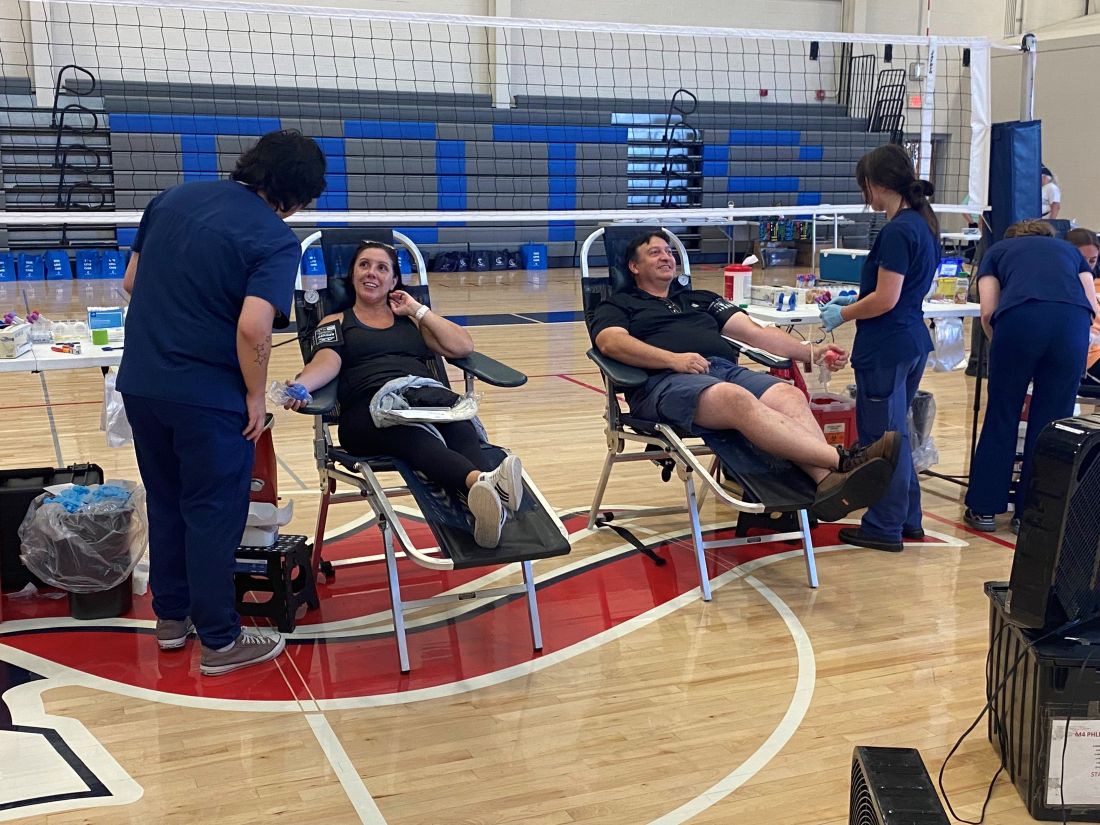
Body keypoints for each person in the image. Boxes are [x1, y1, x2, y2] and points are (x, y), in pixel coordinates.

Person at [118, 130, 327, 676]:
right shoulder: (275, 239)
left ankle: (171, 620)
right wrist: (255, 396)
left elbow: (132, 281)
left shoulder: (171, 199)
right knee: (212, 513)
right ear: (298, 196)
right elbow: (254, 328)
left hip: (141, 383)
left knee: (167, 501)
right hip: (207, 396)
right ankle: (220, 640)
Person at [590, 231, 901, 523]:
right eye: (654, 252)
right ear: (634, 267)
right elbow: (611, 342)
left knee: (789, 394)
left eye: (669, 252)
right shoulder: (618, 304)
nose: (666, 257)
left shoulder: (700, 299)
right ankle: (843, 460)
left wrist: (811, 352)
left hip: (722, 371)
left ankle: (827, 483)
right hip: (664, 383)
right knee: (735, 397)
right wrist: (674, 359)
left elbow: (756, 334)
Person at [282, 240, 524, 549]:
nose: (372, 273)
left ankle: (486, 506)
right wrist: (303, 385)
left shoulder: (411, 320)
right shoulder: (336, 321)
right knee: (414, 435)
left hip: (423, 400)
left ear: (394, 280)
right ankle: (486, 484)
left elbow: (462, 347)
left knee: (459, 425)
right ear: (353, 274)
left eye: (382, 268)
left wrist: (417, 309)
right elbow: (326, 362)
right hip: (368, 414)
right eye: (364, 265)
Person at [819, 143, 940, 553]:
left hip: (887, 345)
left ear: (875, 183)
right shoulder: (923, 224)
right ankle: (908, 519)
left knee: (882, 440)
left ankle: (885, 526)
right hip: (910, 339)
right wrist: (856, 301)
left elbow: (886, 298)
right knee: (898, 433)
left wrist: (844, 312)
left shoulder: (898, 230)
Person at [963, 220, 1098, 532]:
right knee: (1053, 424)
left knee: (1003, 415)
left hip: (1020, 322)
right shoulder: (1069, 251)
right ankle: (1033, 513)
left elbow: (988, 311)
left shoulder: (997, 251)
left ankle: (984, 509)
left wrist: (1004, 347)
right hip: (1072, 326)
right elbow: (1092, 304)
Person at [1066, 228, 1100, 386]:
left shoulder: (1097, 283)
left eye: (1092, 260)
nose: (1087, 266)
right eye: (1081, 260)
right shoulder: (1064, 288)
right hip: (1088, 356)